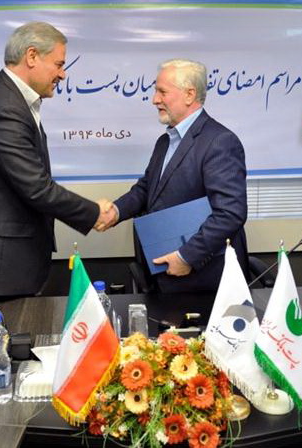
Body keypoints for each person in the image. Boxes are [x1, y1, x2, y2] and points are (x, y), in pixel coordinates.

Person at [0, 22, 113, 299]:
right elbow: (36, 187)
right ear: (32, 56)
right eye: (59, 64)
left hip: (7, 261)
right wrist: (94, 212)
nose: (63, 74)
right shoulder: (4, 109)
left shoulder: (12, 100)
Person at [99, 59, 249, 293]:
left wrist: (187, 256)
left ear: (190, 94)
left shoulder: (220, 141)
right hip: (164, 274)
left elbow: (230, 213)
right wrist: (115, 212)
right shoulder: (165, 141)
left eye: (162, 92)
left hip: (203, 280)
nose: (154, 99)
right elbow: (147, 188)